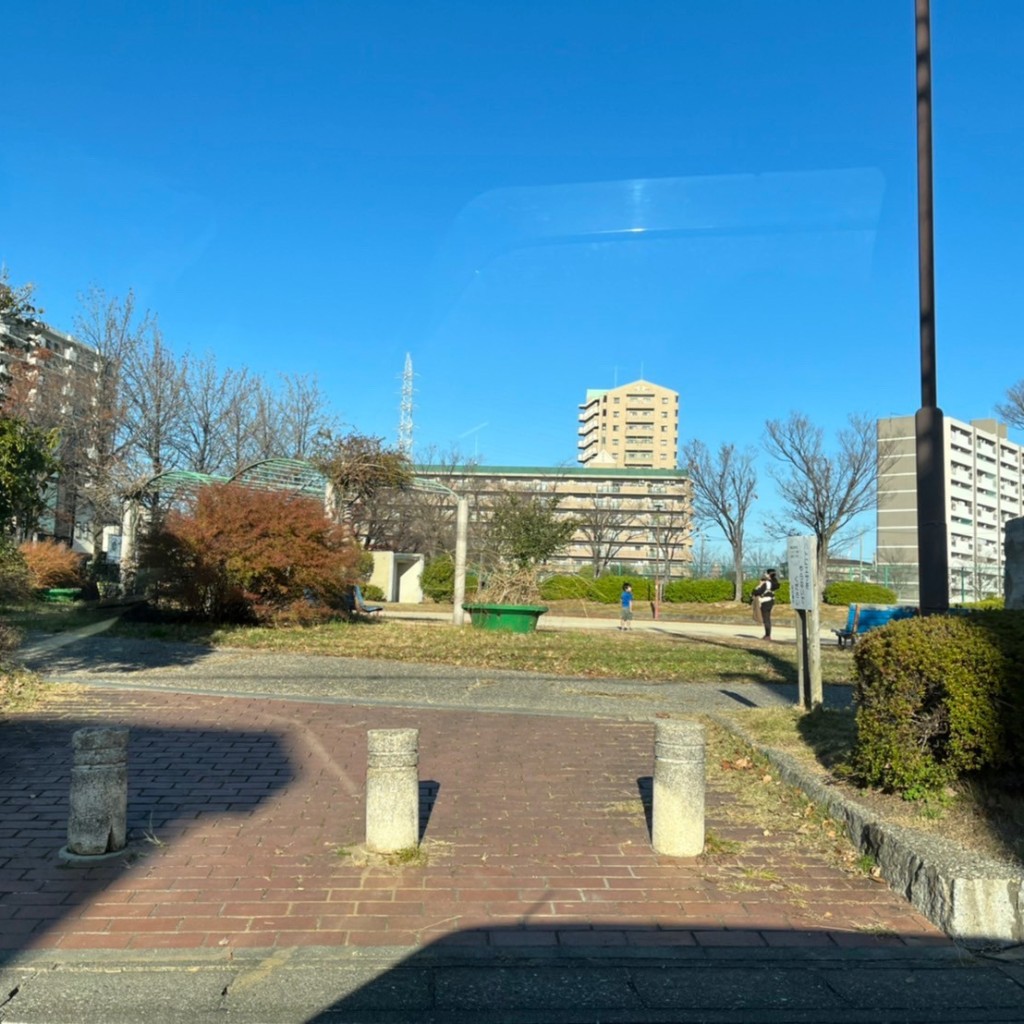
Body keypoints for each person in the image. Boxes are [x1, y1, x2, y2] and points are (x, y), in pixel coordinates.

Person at [753, 569, 779, 641]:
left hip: (765, 601)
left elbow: (757, 592)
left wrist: (759, 585)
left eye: (765, 573)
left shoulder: (766, 583)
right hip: (771, 601)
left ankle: (768, 635)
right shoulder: (774, 582)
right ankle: (767, 634)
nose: (764, 575)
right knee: (767, 618)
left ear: (768, 574)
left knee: (766, 619)